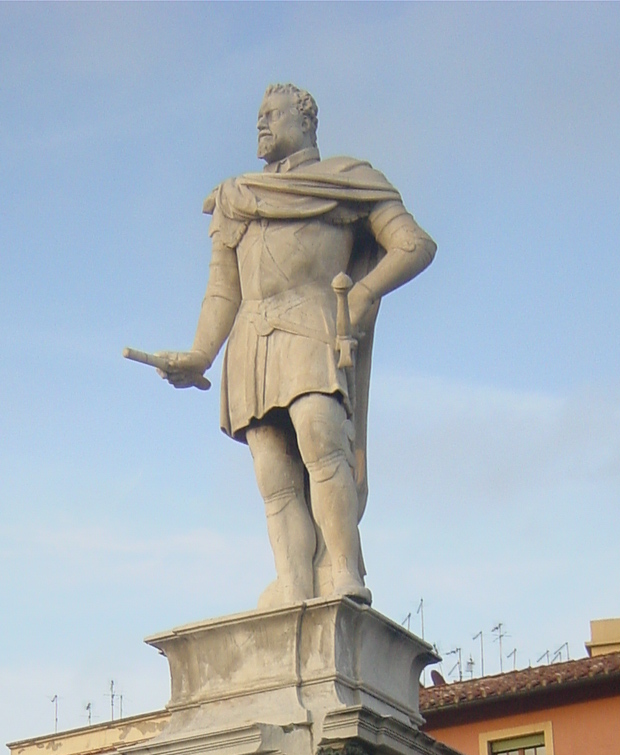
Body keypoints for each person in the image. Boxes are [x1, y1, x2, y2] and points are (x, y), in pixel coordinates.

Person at [143, 83, 435, 610]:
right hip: (252, 339)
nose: (261, 124)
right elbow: (222, 290)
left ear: (306, 123)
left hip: (312, 320)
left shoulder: (347, 182)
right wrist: (199, 355)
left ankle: (343, 566)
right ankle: (294, 580)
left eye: (272, 114)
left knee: (322, 440)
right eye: (257, 116)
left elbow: (413, 245)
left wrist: (365, 291)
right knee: (273, 476)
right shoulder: (235, 198)